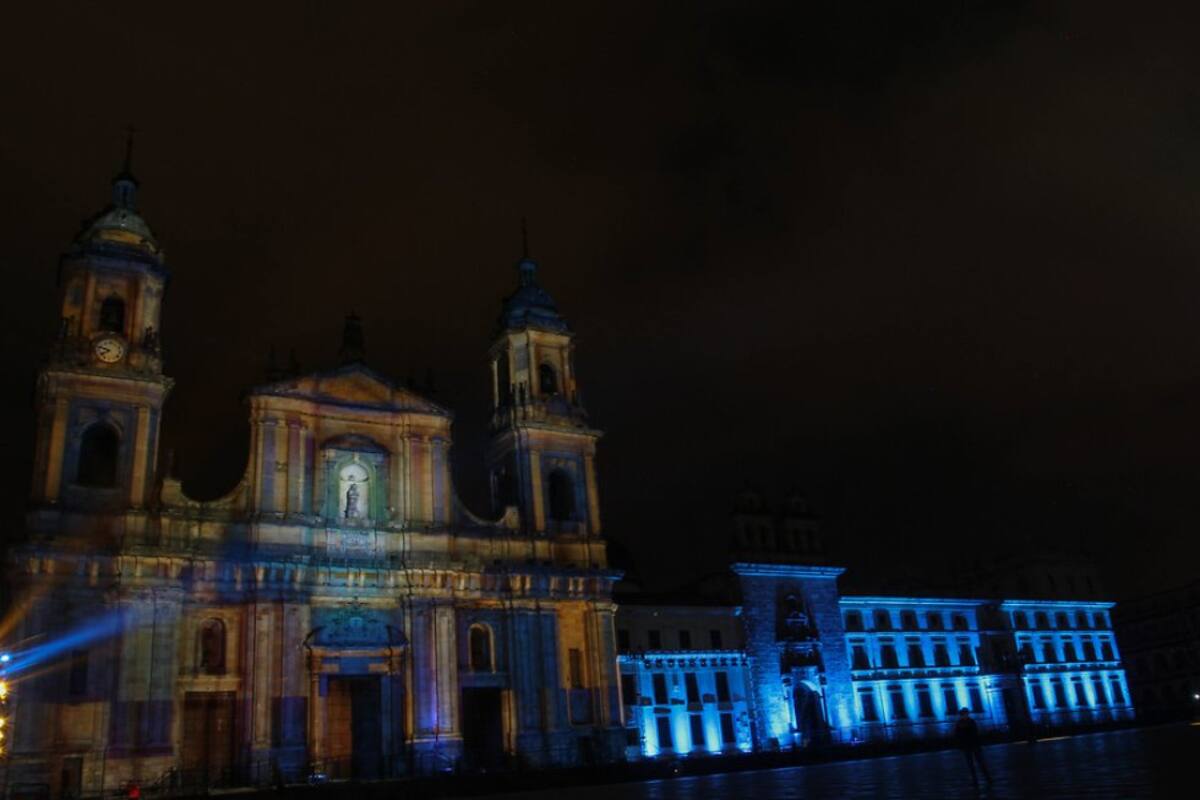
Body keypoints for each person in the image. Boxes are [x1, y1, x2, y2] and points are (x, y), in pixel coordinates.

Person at [954, 707, 991, 786]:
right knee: (972, 764)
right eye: (964, 714)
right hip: (968, 746)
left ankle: (986, 778)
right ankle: (977, 779)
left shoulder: (967, 722)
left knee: (979, 763)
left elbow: (974, 734)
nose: (965, 715)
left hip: (972, 745)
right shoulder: (966, 722)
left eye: (966, 714)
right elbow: (958, 735)